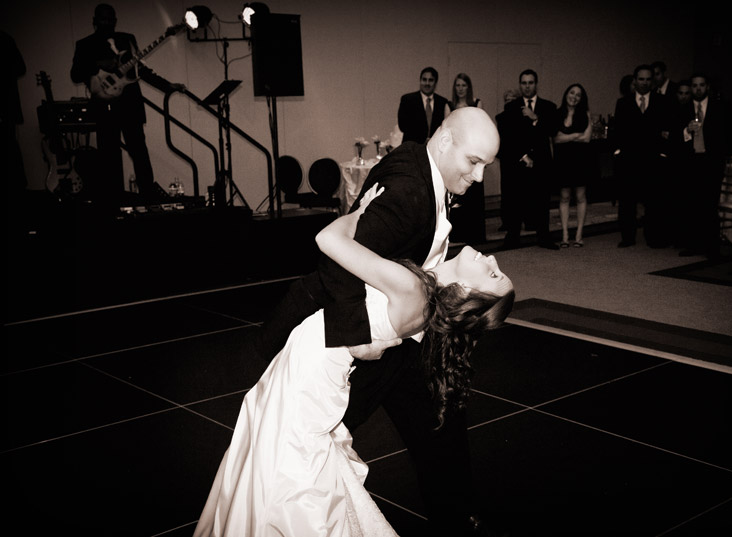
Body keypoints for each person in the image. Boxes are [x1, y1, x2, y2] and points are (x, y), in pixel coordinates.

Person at [194, 183, 514, 536]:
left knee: (286, 464)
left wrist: (361, 210)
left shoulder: (413, 288)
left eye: (494, 275)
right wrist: (361, 341)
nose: (494, 261)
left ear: (468, 293)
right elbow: (373, 342)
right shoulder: (424, 301)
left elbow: (328, 240)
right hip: (315, 360)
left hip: (311, 367)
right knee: (282, 459)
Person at [257, 107, 506, 536]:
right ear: (445, 142)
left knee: (441, 415)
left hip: (397, 330)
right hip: (336, 329)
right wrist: (361, 341)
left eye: (487, 165)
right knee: (306, 444)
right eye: (474, 162)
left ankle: (458, 514)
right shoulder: (411, 195)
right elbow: (336, 260)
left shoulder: (420, 163)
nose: (480, 177)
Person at [70, 4, 176, 207]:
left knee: (139, 152)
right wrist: (98, 64)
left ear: (115, 20)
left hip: (130, 105)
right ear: (95, 20)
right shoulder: (84, 45)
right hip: (104, 108)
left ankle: (149, 200)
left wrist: (167, 86)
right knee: (109, 156)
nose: (107, 23)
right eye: (103, 19)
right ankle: (114, 203)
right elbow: (75, 74)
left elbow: (141, 70)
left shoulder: (128, 39)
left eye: (110, 19)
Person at [610, 64, 674, 248]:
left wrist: (663, 153)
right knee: (627, 201)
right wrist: (618, 152)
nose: (644, 83)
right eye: (641, 79)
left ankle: (653, 237)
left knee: (654, 200)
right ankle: (627, 237)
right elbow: (618, 131)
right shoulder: (623, 103)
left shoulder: (662, 101)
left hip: (653, 159)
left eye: (648, 79)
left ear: (652, 81)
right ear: (635, 81)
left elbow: (667, 129)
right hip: (629, 159)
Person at [497, 69, 560, 249]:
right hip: (520, 161)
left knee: (542, 200)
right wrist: (523, 156)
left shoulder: (548, 107)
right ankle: (513, 237)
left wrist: (535, 119)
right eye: (524, 83)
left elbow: (552, 130)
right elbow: (509, 137)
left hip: (541, 161)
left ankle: (544, 237)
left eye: (530, 82)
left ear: (536, 84)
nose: (527, 86)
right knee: (516, 200)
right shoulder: (512, 107)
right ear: (520, 85)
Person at [675, 73, 732, 257]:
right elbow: (674, 136)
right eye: (694, 85)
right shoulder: (683, 109)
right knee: (691, 204)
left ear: (707, 87)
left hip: (712, 162)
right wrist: (686, 131)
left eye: (701, 85)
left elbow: (728, 133)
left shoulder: (720, 107)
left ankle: (711, 246)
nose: (698, 89)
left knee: (709, 203)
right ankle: (693, 244)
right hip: (691, 163)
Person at [553, 83, 598, 247]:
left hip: (581, 160)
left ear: (581, 99)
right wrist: (576, 135)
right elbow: (556, 138)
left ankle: (579, 234)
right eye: (572, 92)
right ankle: (565, 234)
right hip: (563, 161)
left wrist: (567, 136)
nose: (574, 96)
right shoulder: (557, 114)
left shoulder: (585, 114)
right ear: (566, 94)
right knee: (564, 197)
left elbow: (587, 138)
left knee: (580, 197)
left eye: (578, 95)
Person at [447, 73, 485, 245]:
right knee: (458, 194)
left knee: (473, 195)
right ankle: (457, 234)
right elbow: (447, 131)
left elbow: (482, 129)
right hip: (457, 156)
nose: (460, 88)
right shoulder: (449, 105)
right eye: (458, 85)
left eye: (463, 85)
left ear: (468, 87)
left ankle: (474, 233)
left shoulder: (477, 103)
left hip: (474, 155)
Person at [0, 29, 26, 220]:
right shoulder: (5, 39)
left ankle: (16, 198)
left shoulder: (4, 40)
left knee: (9, 152)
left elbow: (19, 68)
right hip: (6, 110)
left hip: (4, 110)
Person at [397, 67, 451, 144]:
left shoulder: (442, 102)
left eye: (431, 80)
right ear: (420, 81)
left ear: (435, 83)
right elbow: (403, 126)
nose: (427, 83)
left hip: (434, 148)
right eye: (424, 80)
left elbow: (444, 127)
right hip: (412, 148)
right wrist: (423, 139)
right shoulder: (408, 100)